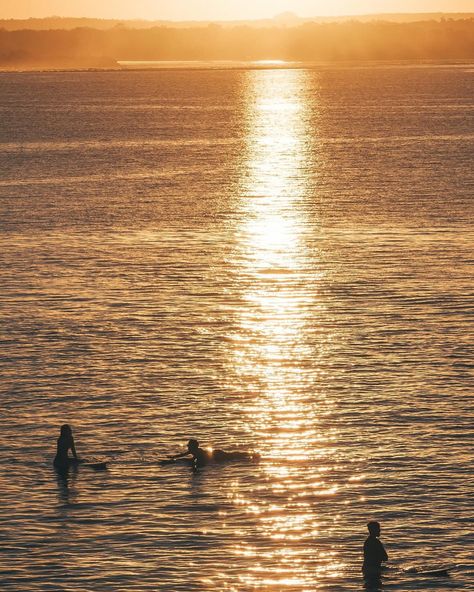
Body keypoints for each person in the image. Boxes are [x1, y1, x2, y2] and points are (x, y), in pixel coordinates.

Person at [169, 439, 259, 469]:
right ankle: (250, 454)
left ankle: (250, 454)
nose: (188, 447)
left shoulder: (196, 451)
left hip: (217, 455)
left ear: (193, 446)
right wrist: (172, 457)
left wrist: (174, 459)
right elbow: (183, 455)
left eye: (189, 446)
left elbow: (185, 456)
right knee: (232, 455)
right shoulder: (193, 451)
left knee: (233, 456)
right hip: (214, 454)